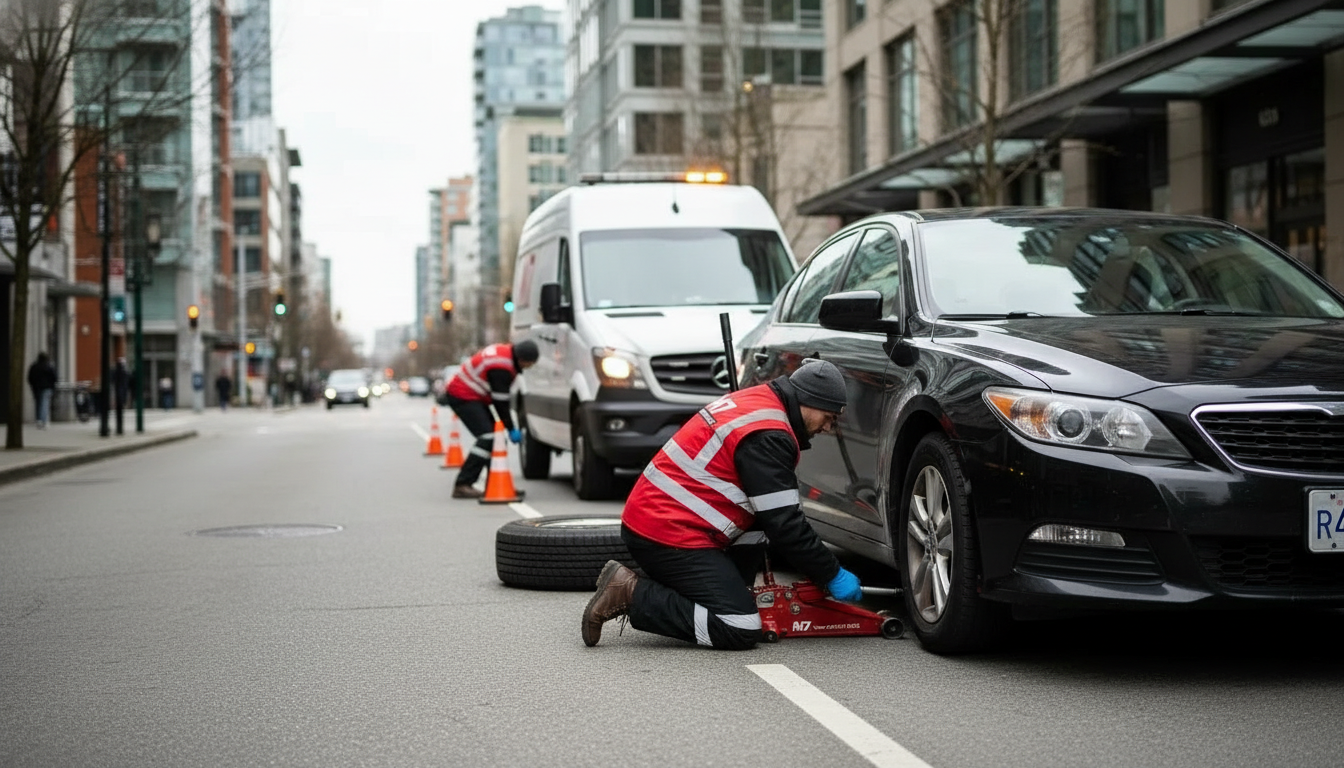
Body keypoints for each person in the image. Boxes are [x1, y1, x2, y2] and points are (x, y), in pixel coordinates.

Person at [581, 359, 863, 649]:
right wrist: (831, 573)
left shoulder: (760, 401)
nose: (828, 427)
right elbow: (786, 525)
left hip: (665, 519)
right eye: (828, 416)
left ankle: (727, 594)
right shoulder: (769, 435)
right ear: (809, 401)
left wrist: (738, 589)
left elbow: (766, 520)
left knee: (758, 529)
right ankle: (629, 593)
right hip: (667, 532)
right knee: (740, 627)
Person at [440, 340, 539, 498]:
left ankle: (496, 483)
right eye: (529, 364)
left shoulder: (506, 354)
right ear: (522, 360)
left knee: (497, 440)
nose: (529, 368)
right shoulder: (501, 368)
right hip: (463, 395)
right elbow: (501, 403)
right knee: (489, 437)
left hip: (473, 395)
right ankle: (463, 484)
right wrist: (511, 428)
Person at [26, 352, 57, 429]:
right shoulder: (48, 366)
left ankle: (39, 419)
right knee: (45, 403)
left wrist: (33, 385)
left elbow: (30, 377)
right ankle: (44, 420)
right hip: (47, 387)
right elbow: (54, 377)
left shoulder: (34, 366)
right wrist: (52, 386)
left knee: (38, 403)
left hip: (37, 387)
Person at [112, 358, 131, 434]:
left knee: (119, 412)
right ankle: (120, 429)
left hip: (118, 394)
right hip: (120, 394)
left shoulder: (117, 372)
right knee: (120, 412)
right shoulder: (124, 373)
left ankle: (119, 428)